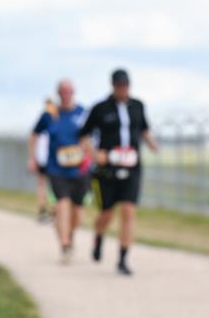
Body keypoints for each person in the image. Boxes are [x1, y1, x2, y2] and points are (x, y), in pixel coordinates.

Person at [80, 69, 158, 276]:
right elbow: (83, 136)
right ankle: (99, 236)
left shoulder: (138, 106)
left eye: (126, 86)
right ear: (113, 86)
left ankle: (123, 258)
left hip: (132, 166)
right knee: (106, 213)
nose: (124, 90)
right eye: (120, 86)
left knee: (128, 211)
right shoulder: (100, 109)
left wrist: (152, 144)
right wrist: (95, 154)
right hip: (108, 169)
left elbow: (144, 129)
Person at [29, 79, 89, 263]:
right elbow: (34, 134)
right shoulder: (49, 115)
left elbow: (91, 138)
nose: (65, 94)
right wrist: (32, 157)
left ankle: (69, 235)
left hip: (80, 169)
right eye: (62, 91)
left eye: (68, 90)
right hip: (56, 168)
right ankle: (64, 246)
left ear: (74, 92)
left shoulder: (83, 114)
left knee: (78, 214)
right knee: (62, 205)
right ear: (57, 93)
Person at [33, 98, 58, 223]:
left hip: (45, 156)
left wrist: (34, 157)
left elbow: (34, 135)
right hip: (50, 156)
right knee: (49, 185)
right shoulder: (57, 116)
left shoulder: (45, 117)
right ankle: (51, 211)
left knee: (44, 185)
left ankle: (46, 210)